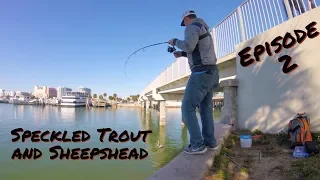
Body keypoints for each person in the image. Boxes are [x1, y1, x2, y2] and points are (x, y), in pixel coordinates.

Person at [168, 10, 219, 154]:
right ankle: (210, 142)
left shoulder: (191, 27)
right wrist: (182, 54)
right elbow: (196, 49)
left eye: (184, 23)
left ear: (186, 20)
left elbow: (189, 46)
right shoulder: (203, 28)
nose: (184, 26)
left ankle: (197, 145)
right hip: (212, 72)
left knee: (186, 108)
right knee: (205, 109)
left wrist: (175, 42)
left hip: (201, 73)